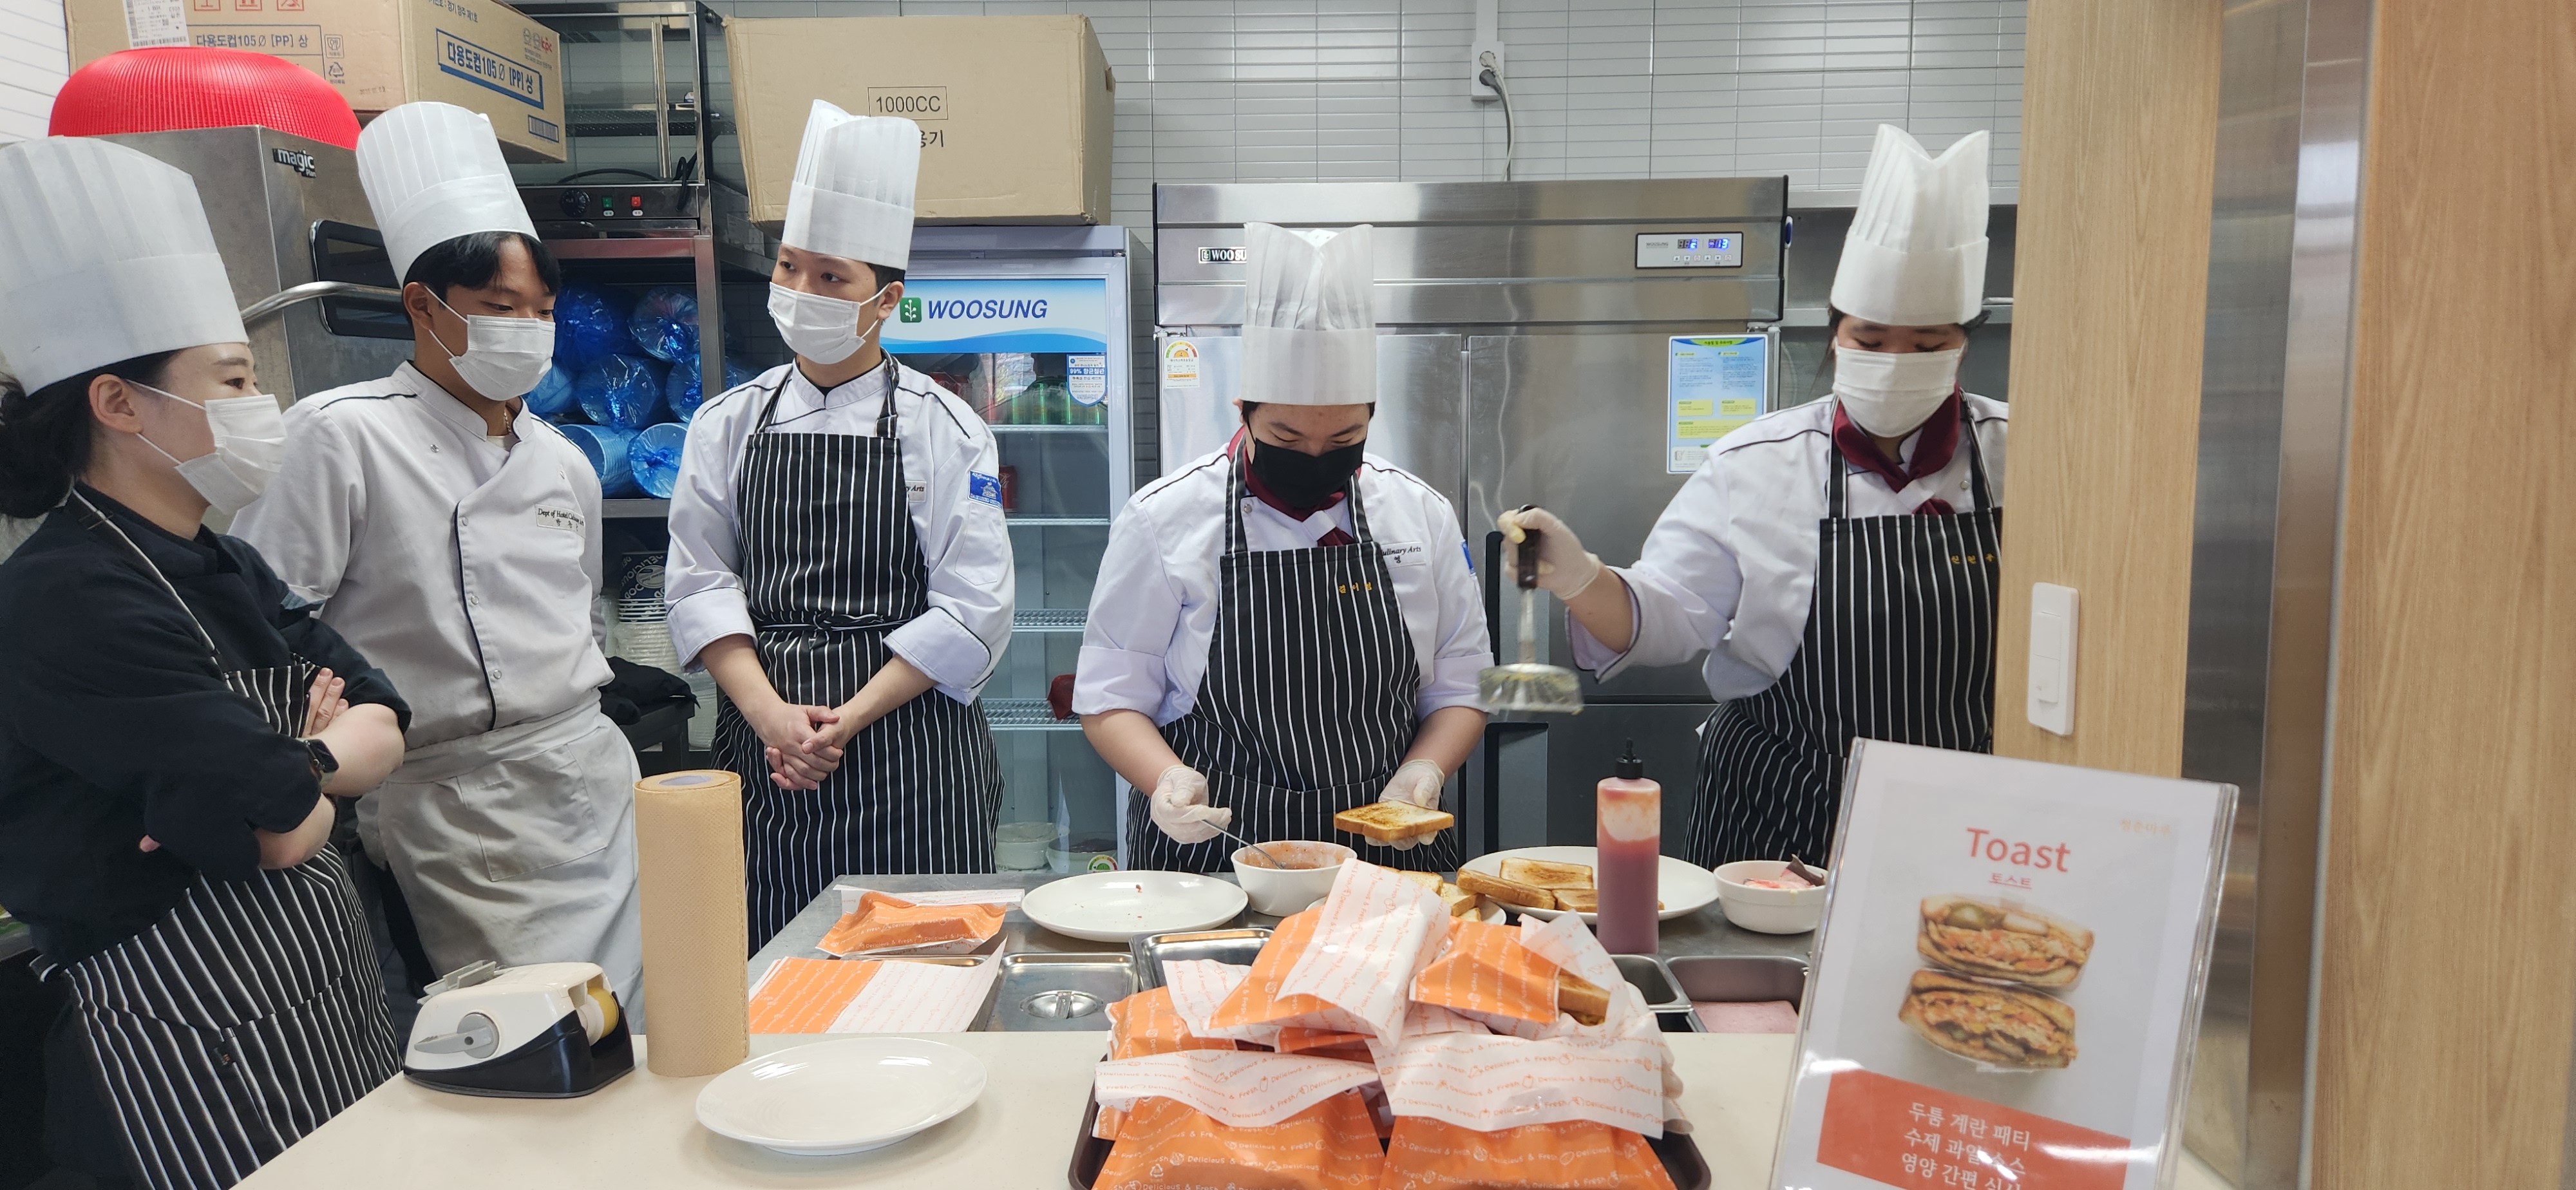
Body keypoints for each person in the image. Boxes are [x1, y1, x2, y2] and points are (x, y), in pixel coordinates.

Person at [0, 135, 411, 1190]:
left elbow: (381, 710)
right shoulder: (65, 595)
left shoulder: (222, 558)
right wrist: (310, 765)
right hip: (180, 1031)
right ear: (118, 403)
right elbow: (271, 824)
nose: (256, 403)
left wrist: (299, 767)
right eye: (232, 378)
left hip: (321, 998)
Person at [230, 102, 643, 1008]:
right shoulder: (339, 437)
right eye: (501, 309)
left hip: (589, 772)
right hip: (453, 801)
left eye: (542, 311)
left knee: (642, 1020)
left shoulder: (563, 459)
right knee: (531, 1032)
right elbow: (264, 631)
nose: (528, 329)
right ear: (423, 305)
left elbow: (581, 614)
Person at [1506, 126, 2005, 869]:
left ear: (1964, 342)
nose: (1896, 362)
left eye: (1928, 346)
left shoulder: (2020, 456)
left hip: (1963, 825)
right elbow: (1666, 618)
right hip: (1779, 810)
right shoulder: (1757, 463)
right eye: (1870, 342)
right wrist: (1581, 579)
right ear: (1834, 336)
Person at [664, 100, 1010, 947]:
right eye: (789, 268)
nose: (801, 292)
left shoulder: (947, 428)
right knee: (777, 973)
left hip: (913, 754)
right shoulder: (726, 423)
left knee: (925, 970)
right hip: (767, 751)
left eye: (831, 278)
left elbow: (974, 605)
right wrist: (771, 718)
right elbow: (701, 583)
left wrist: (840, 722)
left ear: (885, 299)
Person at [1075, 223, 1491, 873]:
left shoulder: (1421, 515)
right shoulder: (1165, 518)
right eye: (1288, 438)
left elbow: (1462, 683)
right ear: (1243, 410)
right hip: (1216, 850)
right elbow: (1110, 697)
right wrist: (1166, 780)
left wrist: (1424, 771)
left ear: (1370, 416)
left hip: (1386, 847)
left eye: (1344, 439)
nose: (1315, 456)